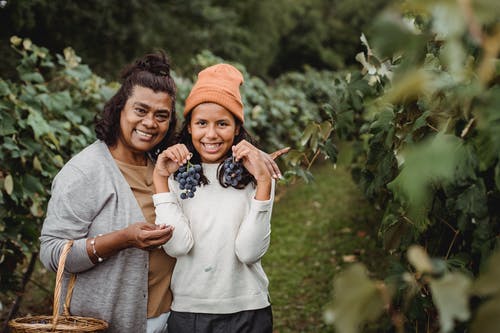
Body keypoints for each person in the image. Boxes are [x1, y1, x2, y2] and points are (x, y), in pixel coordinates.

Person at [40, 53, 287, 332]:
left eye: (161, 116)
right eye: (140, 110)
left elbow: (214, 156)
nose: (150, 123)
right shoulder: (85, 172)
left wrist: (254, 155)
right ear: (119, 108)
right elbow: (52, 252)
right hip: (112, 321)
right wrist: (122, 238)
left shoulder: (166, 163)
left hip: (170, 318)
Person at [153, 63, 275, 332]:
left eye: (222, 123)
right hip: (189, 311)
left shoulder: (255, 175)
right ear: (189, 128)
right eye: (201, 123)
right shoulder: (177, 175)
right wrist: (160, 181)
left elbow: (249, 251)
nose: (211, 134)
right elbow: (178, 246)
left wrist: (264, 181)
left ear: (236, 128)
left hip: (249, 308)